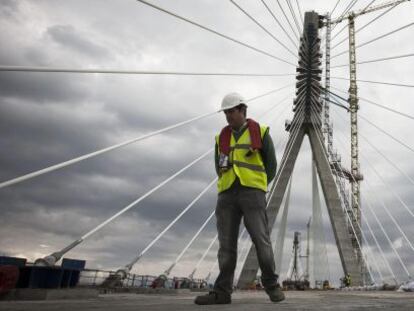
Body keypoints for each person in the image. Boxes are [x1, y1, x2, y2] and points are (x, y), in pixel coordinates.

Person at [194, 93, 285, 305]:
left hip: (252, 193)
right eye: (225, 112)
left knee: (261, 240)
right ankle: (222, 292)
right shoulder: (221, 138)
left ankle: (272, 285)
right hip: (226, 195)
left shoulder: (261, 133)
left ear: (243, 110)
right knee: (226, 246)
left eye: (231, 111)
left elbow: (271, 165)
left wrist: (259, 185)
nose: (228, 116)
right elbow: (219, 166)